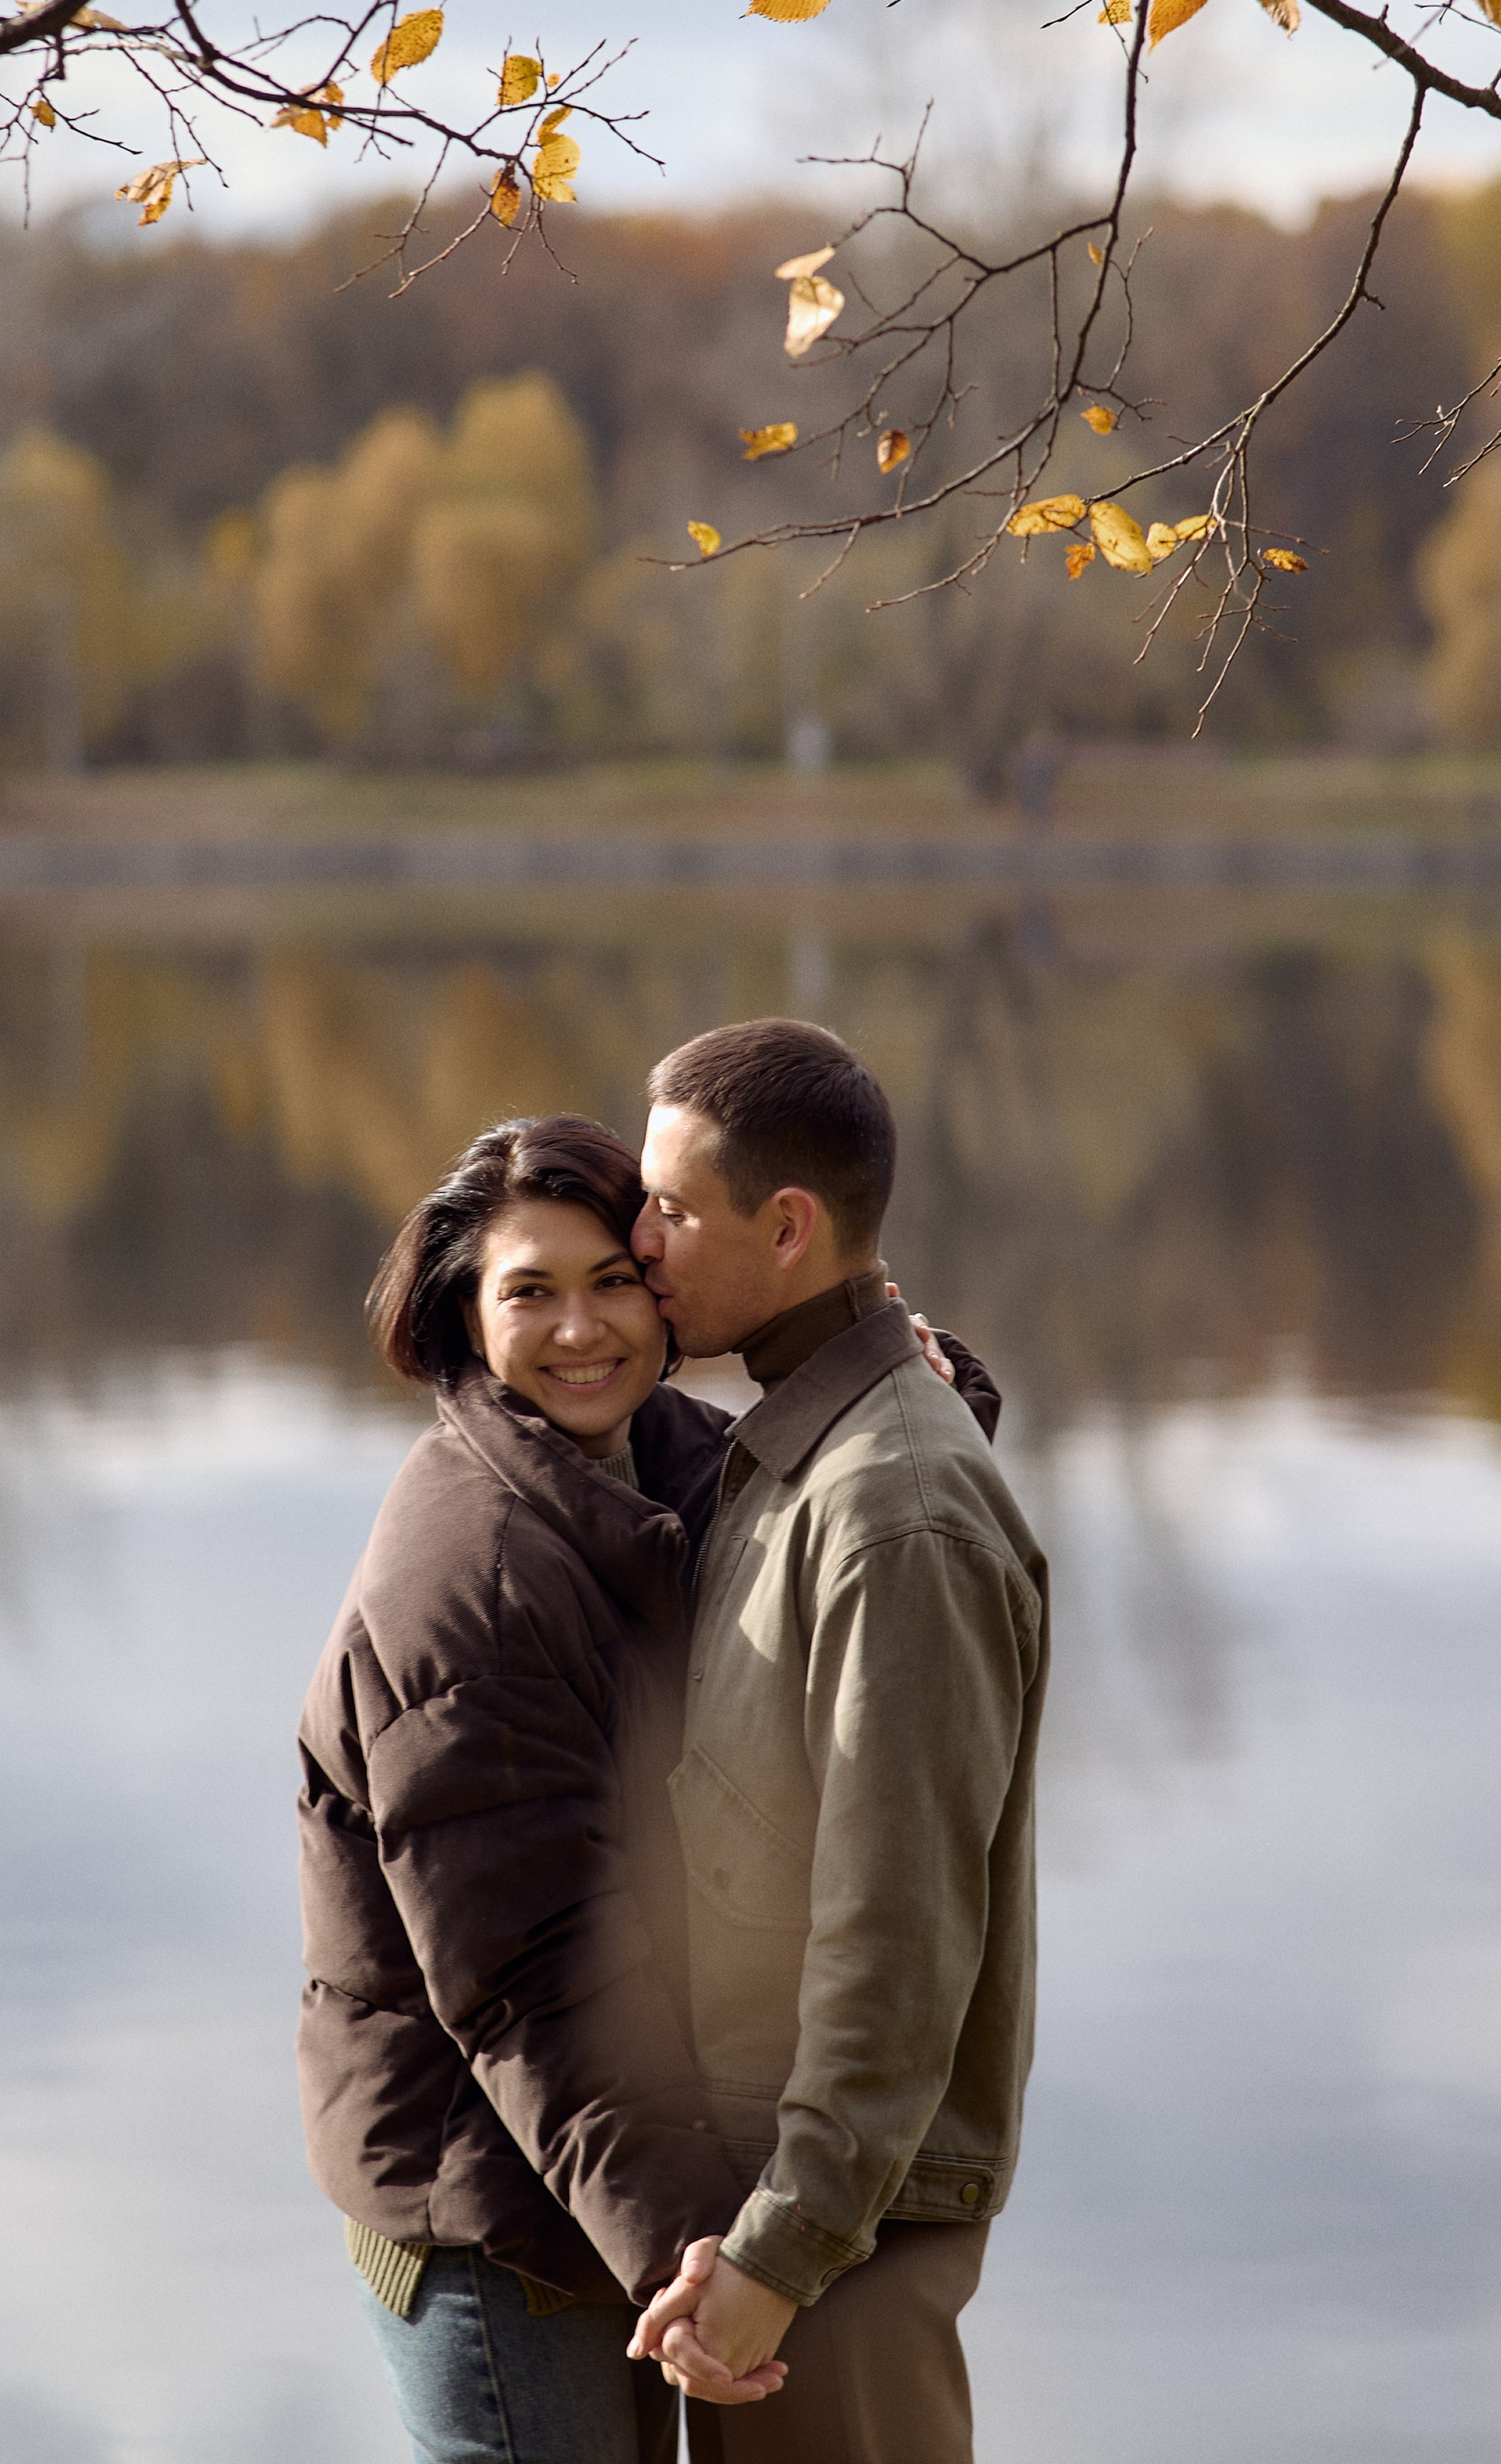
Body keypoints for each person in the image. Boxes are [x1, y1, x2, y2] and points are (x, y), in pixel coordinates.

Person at [294, 1115, 783, 2464]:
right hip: (487, 2214)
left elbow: (806, 1503)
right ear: (463, 1313)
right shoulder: (475, 1585)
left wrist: (921, 1394)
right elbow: (534, 1978)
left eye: (611, 1278)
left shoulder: (638, 1458)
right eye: (530, 1290)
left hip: (591, 2170)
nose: (583, 1328)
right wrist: (696, 2253)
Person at [625, 1019, 1049, 2464]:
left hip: (843, 2244)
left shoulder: (896, 1512)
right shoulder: (812, 1442)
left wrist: (782, 2253)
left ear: (790, 1227)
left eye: (672, 1209)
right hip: (791, 2213)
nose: (640, 1243)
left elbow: (898, 1935)